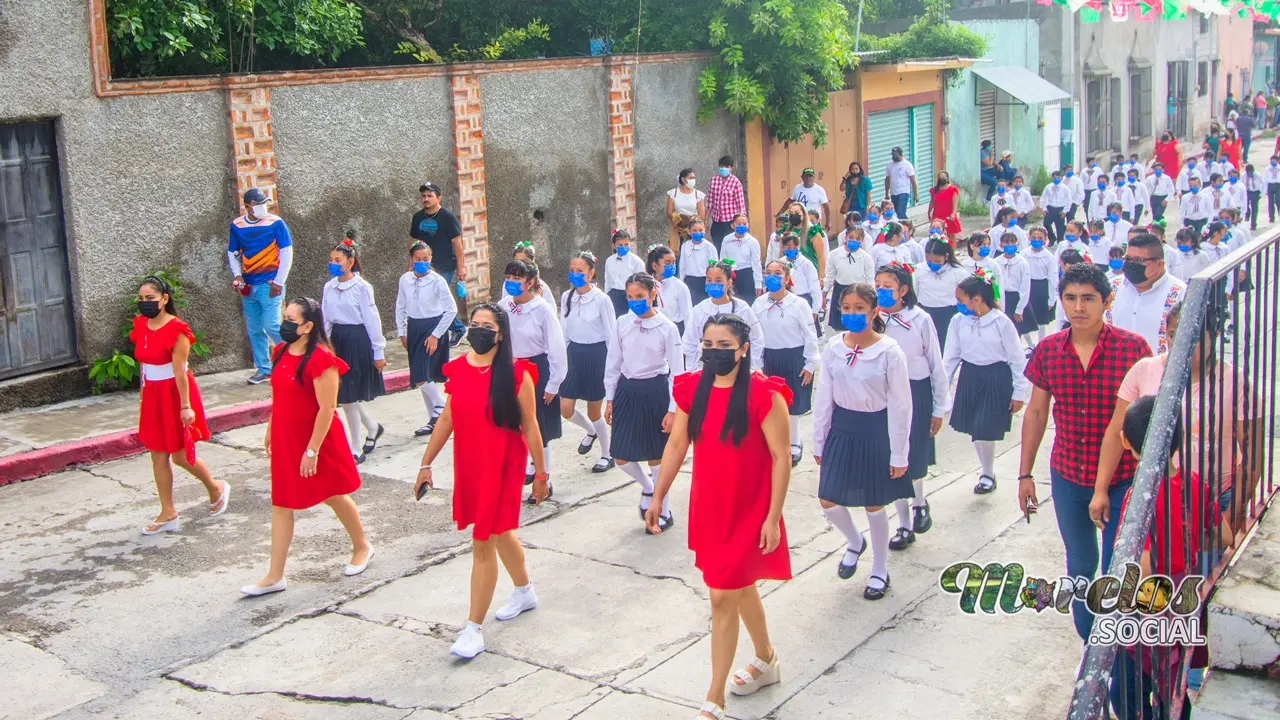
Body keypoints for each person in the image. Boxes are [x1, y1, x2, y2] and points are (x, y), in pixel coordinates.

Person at [647, 315, 792, 720]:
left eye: (723, 345)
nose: (714, 352)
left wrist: (772, 516)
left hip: (751, 507)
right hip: (711, 506)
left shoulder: (765, 395)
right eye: (708, 345)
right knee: (739, 585)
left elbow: (782, 458)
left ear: (743, 349)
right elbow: (677, 444)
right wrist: (658, 494)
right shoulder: (692, 389)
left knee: (723, 595)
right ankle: (766, 659)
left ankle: (714, 700)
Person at [1017, 263, 1151, 640]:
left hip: (1123, 477)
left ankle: (1116, 644)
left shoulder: (1132, 349)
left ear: (1107, 301)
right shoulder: (1048, 350)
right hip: (1069, 474)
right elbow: (1037, 412)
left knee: (1116, 565)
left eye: (1088, 299)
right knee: (1080, 564)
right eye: (1071, 298)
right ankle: (1090, 642)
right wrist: (1025, 474)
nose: (1079, 307)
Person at [413, 304, 549, 658]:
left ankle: (473, 629)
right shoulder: (458, 370)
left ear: (500, 334)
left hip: (504, 465)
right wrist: (425, 463)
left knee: (483, 541)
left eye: (486, 326)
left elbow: (531, 426)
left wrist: (542, 474)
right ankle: (524, 590)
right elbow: (447, 420)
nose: (477, 331)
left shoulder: (518, 374)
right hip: (471, 463)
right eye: (473, 324)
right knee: (501, 531)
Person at [242, 298, 371, 597]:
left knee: (334, 495)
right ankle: (275, 575)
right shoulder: (280, 351)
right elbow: (280, 396)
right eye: (284, 317)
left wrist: (312, 450)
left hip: (318, 439)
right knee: (281, 504)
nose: (285, 323)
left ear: (308, 326)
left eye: (291, 319)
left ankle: (362, 546)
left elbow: (327, 409)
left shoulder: (321, 359)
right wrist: (271, 429)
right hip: (287, 438)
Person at [814, 283, 913, 600]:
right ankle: (855, 541)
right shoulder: (833, 348)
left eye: (860, 308)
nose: (852, 314)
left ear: (874, 312)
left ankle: (879, 569)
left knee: (874, 502)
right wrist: (819, 440)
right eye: (847, 308)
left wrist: (899, 454)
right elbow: (824, 397)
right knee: (828, 498)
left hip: (875, 429)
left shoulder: (889, 352)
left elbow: (900, 405)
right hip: (843, 427)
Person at [131, 275, 226, 535]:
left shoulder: (177, 329)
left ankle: (215, 488)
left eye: (150, 298)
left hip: (175, 393)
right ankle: (168, 511)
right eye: (141, 299)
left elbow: (180, 372)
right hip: (152, 393)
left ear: (164, 299)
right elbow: (144, 365)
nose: (144, 303)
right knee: (157, 453)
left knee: (181, 455)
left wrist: (186, 406)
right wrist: (143, 395)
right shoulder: (140, 324)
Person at [875, 264, 948, 547]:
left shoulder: (920, 319)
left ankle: (919, 502)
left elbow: (935, 364)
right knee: (893, 458)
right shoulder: (873, 318)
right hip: (884, 394)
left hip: (916, 391)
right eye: (877, 285)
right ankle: (903, 525)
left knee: (914, 455)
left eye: (887, 286)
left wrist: (938, 408)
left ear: (903, 290)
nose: (880, 291)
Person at [605, 272, 684, 531]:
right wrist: (610, 398)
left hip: (655, 390)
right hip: (628, 389)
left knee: (656, 457)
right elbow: (614, 362)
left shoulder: (667, 328)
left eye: (640, 296)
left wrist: (673, 410)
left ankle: (664, 509)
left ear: (652, 294)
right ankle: (649, 488)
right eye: (629, 297)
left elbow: (677, 372)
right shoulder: (621, 323)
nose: (634, 301)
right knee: (620, 455)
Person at [944, 272, 1030, 494]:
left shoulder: (1001, 323)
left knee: (984, 428)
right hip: (970, 375)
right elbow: (951, 356)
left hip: (996, 377)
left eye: (962, 300)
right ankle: (986, 470)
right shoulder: (958, 321)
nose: (958, 305)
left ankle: (987, 473)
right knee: (975, 428)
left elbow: (1017, 358)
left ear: (977, 299)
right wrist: (941, 387)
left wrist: (1019, 391)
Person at [502, 260, 567, 498]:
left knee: (539, 426)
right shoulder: (503, 306)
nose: (511, 282)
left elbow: (557, 348)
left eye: (517, 279)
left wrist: (553, 384)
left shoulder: (542, 310)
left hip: (537, 370)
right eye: (508, 277)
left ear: (530, 283)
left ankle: (544, 478)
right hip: (511, 370)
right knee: (515, 425)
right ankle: (526, 465)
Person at [322, 238, 386, 464]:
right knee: (346, 394)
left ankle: (355, 447)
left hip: (357, 340)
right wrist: (324, 344)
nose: (333, 264)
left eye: (337, 260)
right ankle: (372, 427)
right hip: (337, 341)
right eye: (330, 260)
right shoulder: (328, 287)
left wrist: (378, 351)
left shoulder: (362, 288)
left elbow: (372, 319)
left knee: (349, 394)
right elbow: (326, 318)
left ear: (350, 262)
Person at [754, 260, 819, 466]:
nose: (772, 277)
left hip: (793, 357)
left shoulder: (799, 304)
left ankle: (794, 441)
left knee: (793, 402)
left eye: (778, 273)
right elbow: (755, 336)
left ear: (787, 278)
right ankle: (772, 441)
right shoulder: (759, 304)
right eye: (769, 273)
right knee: (771, 402)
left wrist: (810, 363)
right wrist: (757, 364)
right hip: (769, 357)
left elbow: (810, 335)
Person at [559, 251, 617, 474]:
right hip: (573, 353)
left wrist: (613, 365)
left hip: (596, 355)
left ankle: (607, 453)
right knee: (565, 407)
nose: (574, 275)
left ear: (591, 273)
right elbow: (564, 327)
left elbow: (611, 333)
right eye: (572, 271)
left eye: (580, 271)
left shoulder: (602, 299)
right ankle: (590, 431)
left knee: (595, 410)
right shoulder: (567, 297)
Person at [228, 187, 293, 385]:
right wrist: (238, 276)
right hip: (249, 285)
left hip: (269, 283)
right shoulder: (237, 225)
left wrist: (279, 282)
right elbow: (232, 252)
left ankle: (293, 359)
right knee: (254, 329)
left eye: (264, 203)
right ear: (248, 206)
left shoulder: (276, 223)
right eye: (258, 204)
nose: (262, 207)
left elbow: (286, 251)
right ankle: (264, 369)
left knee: (272, 325)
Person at [397, 242, 457, 437]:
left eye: (425, 259)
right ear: (411, 259)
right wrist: (402, 331)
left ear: (431, 259)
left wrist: (436, 335)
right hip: (414, 327)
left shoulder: (437, 281)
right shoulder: (405, 279)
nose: (421, 263)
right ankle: (434, 418)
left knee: (420, 375)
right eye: (417, 259)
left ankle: (442, 405)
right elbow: (400, 306)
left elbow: (451, 310)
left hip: (433, 327)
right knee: (422, 377)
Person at [1105, 233, 1187, 355]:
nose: (1131, 264)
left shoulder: (1180, 293)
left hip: (1159, 371)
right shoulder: (1112, 288)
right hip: (1117, 369)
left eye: (1138, 260)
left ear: (1159, 264)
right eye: (1128, 259)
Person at [410, 182, 467, 345]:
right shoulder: (418, 218)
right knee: (431, 299)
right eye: (423, 196)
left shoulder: (448, 218)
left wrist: (461, 267)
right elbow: (413, 241)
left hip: (446, 266)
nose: (426, 199)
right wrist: (411, 264)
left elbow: (457, 243)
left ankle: (458, 329)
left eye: (429, 196)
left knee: (439, 300)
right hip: (425, 266)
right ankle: (454, 329)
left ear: (438, 198)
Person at [684, 261, 765, 371]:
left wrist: (750, 365)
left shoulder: (742, 308)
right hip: (707, 366)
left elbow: (757, 339)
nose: (713, 284)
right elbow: (689, 342)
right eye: (709, 280)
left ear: (729, 282)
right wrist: (693, 370)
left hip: (737, 367)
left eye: (718, 281)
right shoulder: (699, 309)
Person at [917, 237, 970, 351]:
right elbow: (914, 293)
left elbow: (966, 294)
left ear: (946, 257)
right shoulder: (919, 270)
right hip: (925, 312)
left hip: (948, 314)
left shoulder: (958, 272)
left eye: (937, 261)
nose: (932, 264)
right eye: (929, 261)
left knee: (946, 347)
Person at [824, 225, 875, 333]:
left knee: (858, 324)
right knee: (839, 326)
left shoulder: (866, 258)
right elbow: (830, 276)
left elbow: (870, 280)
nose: (853, 241)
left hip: (859, 292)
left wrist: (873, 299)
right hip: (840, 291)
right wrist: (824, 295)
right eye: (851, 237)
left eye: (858, 238)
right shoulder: (834, 255)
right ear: (845, 237)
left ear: (862, 240)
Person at [994, 232, 1037, 348]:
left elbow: (1025, 287)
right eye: (1006, 243)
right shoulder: (996, 262)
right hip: (1002, 296)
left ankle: (1030, 346)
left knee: (1020, 325)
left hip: (1017, 298)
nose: (1010, 245)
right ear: (1001, 244)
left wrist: (1020, 308)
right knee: (1006, 327)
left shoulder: (1022, 263)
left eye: (1012, 242)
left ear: (1017, 244)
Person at [778, 234, 823, 337]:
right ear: (783, 247)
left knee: (807, 333)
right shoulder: (780, 263)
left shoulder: (806, 263)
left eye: (795, 247)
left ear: (799, 247)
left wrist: (815, 309)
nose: (791, 250)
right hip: (787, 300)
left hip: (804, 299)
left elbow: (815, 286)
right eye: (788, 247)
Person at [649, 244, 694, 337]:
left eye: (673, 262)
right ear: (654, 266)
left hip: (675, 330)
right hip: (654, 329)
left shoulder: (680, 286)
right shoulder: (647, 285)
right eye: (667, 263)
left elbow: (687, 315)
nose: (672, 266)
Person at [1024, 226, 1056, 346]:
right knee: (1024, 318)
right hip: (1027, 287)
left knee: (1041, 321)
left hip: (1041, 288)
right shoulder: (1024, 254)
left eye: (1040, 238)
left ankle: (1041, 344)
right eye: (1034, 238)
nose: (1036, 240)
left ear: (1045, 239)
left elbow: (1053, 279)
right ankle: (1030, 345)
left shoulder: (1049, 257)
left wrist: (1051, 299)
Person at [707, 156, 746, 251]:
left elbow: (740, 205)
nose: (723, 169)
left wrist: (741, 224)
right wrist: (705, 221)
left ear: (731, 168)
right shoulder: (714, 180)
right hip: (717, 222)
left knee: (730, 249)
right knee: (718, 247)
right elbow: (709, 203)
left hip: (729, 223)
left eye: (726, 166)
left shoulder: (736, 182)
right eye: (722, 166)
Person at [508, 243, 558, 316]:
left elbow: (551, 312)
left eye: (523, 262)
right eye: (516, 262)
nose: (519, 266)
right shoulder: (508, 284)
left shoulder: (541, 286)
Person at [720, 214, 763, 298]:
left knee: (748, 299)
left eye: (744, 224)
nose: (741, 226)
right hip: (732, 274)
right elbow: (723, 258)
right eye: (738, 224)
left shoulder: (752, 242)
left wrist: (758, 284)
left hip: (747, 274)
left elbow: (756, 263)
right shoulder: (727, 240)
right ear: (732, 225)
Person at [604, 229, 645, 316]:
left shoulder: (636, 262)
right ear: (614, 245)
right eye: (620, 245)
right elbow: (607, 280)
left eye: (626, 244)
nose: (623, 247)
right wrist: (608, 294)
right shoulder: (609, 260)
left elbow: (642, 283)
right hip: (614, 295)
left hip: (629, 295)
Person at [681, 218, 720, 305]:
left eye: (700, 230)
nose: (697, 232)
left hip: (704, 280)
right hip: (690, 280)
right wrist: (682, 279)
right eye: (694, 230)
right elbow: (682, 264)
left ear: (704, 230)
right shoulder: (685, 245)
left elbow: (714, 266)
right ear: (689, 231)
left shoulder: (709, 247)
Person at [781, 168, 831, 232]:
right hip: (800, 220)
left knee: (814, 239)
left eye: (810, 176)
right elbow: (790, 201)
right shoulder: (797, 188)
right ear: (802, 177)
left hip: (813, 221)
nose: (808, 178)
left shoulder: (819, 190)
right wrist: (780, 213)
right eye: (806, 176)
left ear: (814, 178)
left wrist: (828, 221)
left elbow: (826, 207)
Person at [668, 168, 707, 247]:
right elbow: (669, 212)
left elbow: (701, 215)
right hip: (677, 227)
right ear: (683, 179)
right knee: (677, 251)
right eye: (691, 178)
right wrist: (679, 222)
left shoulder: (698, 194)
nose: (693, 180)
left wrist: (689, 228)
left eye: (694, 178)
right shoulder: (673, 193)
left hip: (693, 229)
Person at [884, 147, 918, 219]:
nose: (894, 157)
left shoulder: (907, 165)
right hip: (893, 193)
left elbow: (913, 180)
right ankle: (908, 225)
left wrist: (916, 194)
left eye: (896, 155)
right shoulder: (890, 165)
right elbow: (887, 179)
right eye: (893, 155)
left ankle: (904, 228)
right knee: (896, 213)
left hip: (904, 192)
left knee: (900, 212)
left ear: (901, 155)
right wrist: (887, 193)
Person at [1039, 170, 1071, 245]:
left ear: (1061, 178)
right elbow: (1043, 198)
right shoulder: (1048, 187)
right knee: (1046, 224)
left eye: (1058, 177)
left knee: (1059, 227)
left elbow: (1069, 200)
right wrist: (1043, 208)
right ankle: (1052, 237)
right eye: (1054, 177)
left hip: (1060, 209)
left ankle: (1060, 241)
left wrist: (1065, 211)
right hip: (1050, 208)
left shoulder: (1065, 188)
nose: (1056, 179)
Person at [1245, 163, 1264, 230]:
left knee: (1254, 209)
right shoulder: (1244, 175)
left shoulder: (1258, 175)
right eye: (1248, 173)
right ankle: (1247, 214)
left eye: (1251, 172)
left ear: (1253, 171)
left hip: (1255, 192)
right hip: (1247, 192)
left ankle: (1253, 224)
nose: (1249, 174)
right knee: (1245, 206)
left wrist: (1261, 193)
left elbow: (1263, 183)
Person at [1265, 155, 1280, 224]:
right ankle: (1271, 217)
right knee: (1270, 202)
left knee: (1278, 201)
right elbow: (1266, 179)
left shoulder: (1279, 168)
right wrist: (1265, 190)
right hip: (1270, 185)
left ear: (1277, 161)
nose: (1273, 162)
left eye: (1275, 161)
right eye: (1272, 161)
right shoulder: (1268, 168)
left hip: (1278, 185)